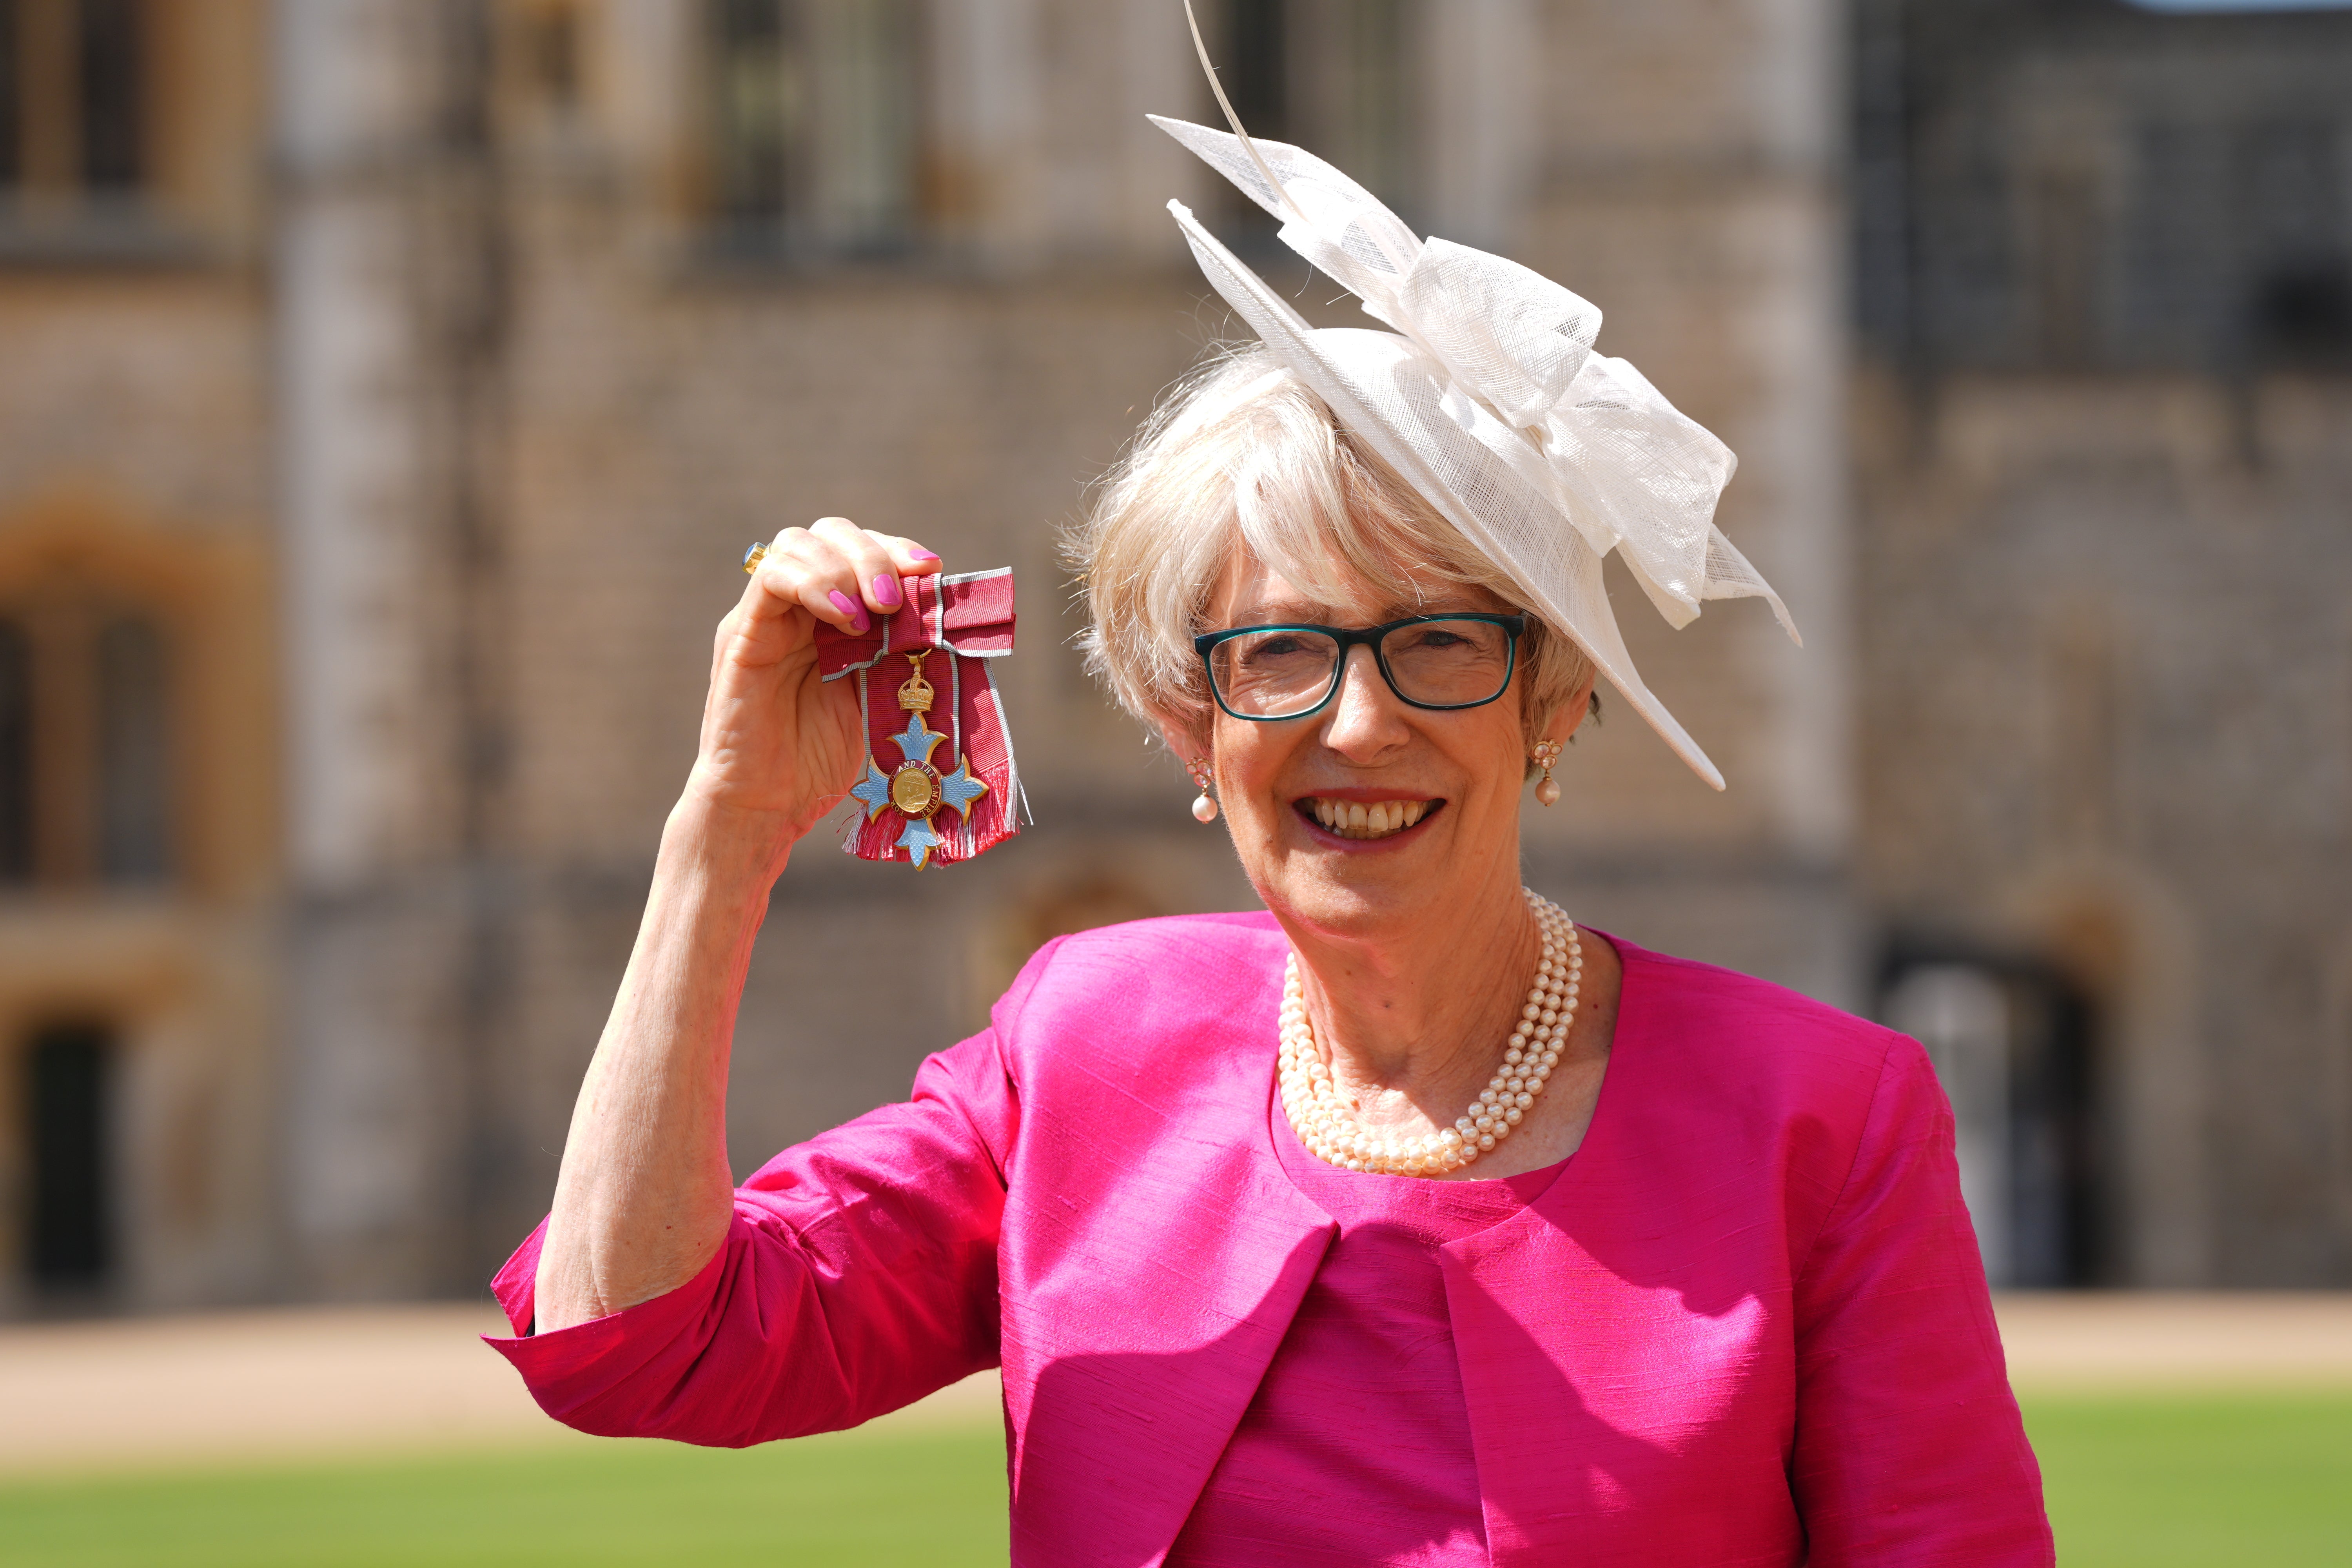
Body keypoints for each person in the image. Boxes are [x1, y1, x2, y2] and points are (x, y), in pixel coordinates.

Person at [488, 100, 2053, 1568]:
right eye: (1281, 652)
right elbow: (644, 1346)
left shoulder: (1823, 1124)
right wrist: (729, 831)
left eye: (1440, 641)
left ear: (1553, 702)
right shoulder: (1085, 1045)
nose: (1358, 723)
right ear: (1193, 725)